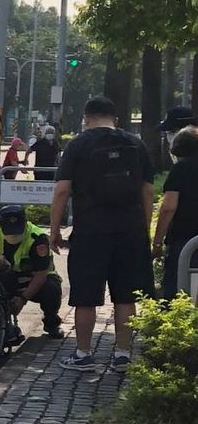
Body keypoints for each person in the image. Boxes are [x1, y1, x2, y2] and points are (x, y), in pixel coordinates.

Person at [50, 95, 154, 372]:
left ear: (86, 118)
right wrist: (143, 228)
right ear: (115, 119)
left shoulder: (78, 145)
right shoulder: (136, 144)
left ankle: (83, 354)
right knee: (126, 296)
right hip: (130, 231)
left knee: (85, 296)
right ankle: (122, 354)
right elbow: (147, 191)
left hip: (90, 231)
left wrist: (54, 230)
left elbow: (62, 191)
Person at [0, 204, 64, 337]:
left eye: (17, 231)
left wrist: (22, 299)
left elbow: (41, 274)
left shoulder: (38, 237)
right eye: (9, 231)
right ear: (0, 226)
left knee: (52, 289)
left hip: (36, 280)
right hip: (8, 279)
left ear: (25, 223)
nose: (13, 235)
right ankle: (0, 323)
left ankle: (51, 322)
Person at [154, 124, 198, 299]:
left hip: (183, 238)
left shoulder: (180, 169)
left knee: (177, 290)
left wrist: (157, 242)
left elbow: (168, 207)